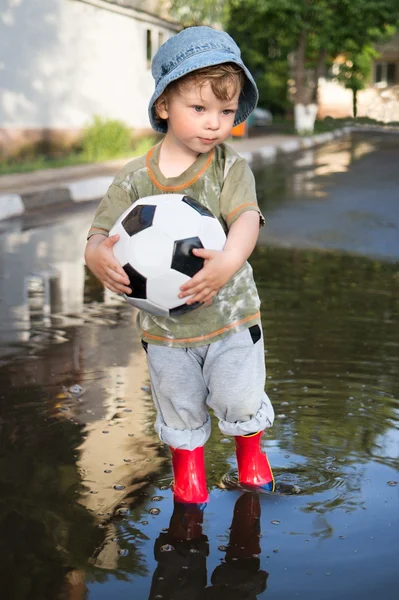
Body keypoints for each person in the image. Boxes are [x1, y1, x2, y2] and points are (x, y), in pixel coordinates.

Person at [84, 26, 275, 505]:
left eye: (226, 112)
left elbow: (247, 218)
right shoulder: (133, 179)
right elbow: (99, 231)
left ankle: (250, 452)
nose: (215, 124)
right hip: (165, 329)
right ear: (164, 106)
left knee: (239, 398)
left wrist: (228, 260)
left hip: (230, 319)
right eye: (200, 108)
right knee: (178, 403)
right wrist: (95, 255)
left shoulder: (229, 169)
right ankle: (188, 473)